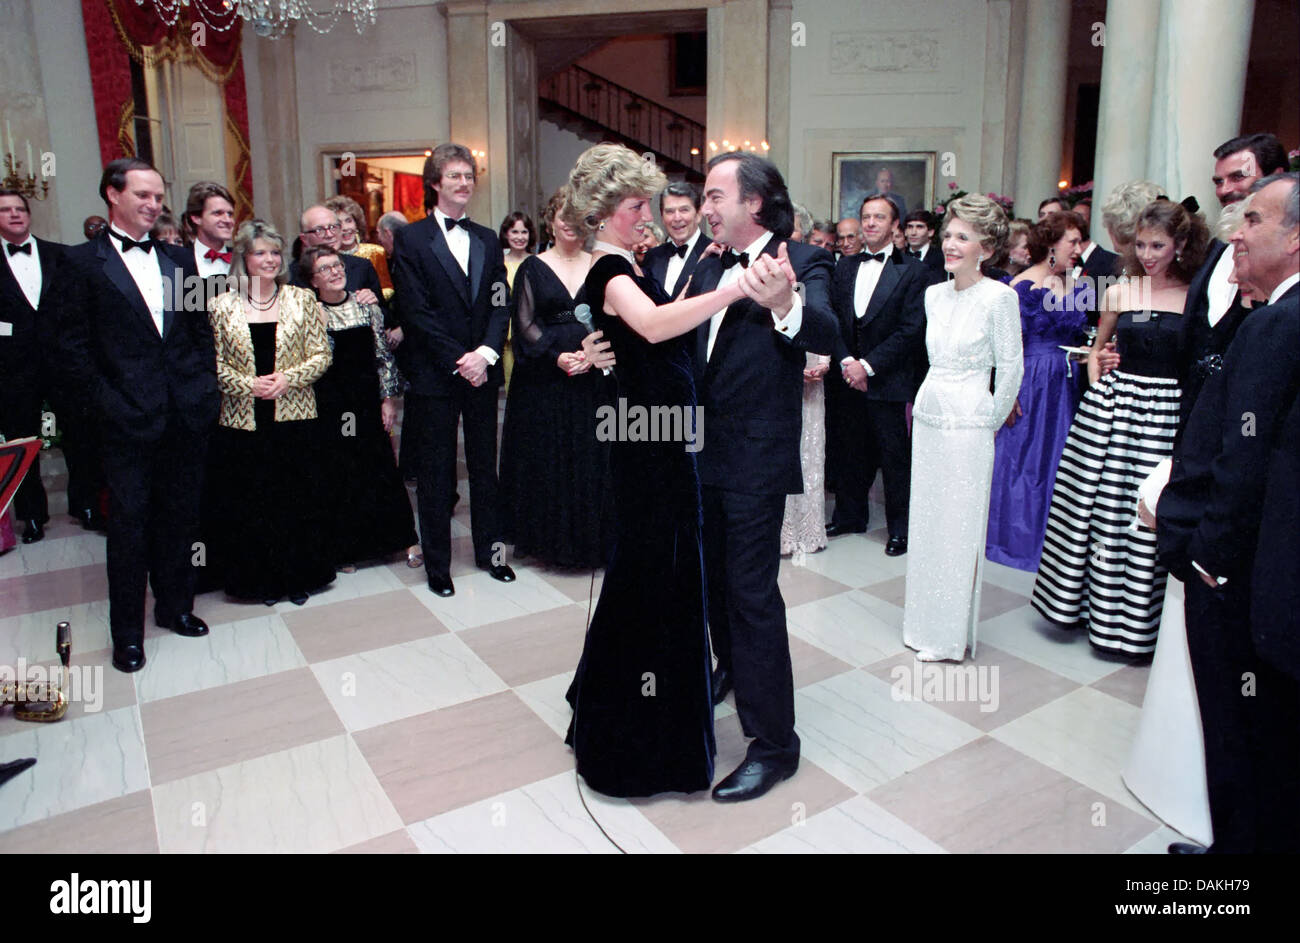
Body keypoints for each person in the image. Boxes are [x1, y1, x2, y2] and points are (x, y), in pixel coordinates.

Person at [560, 143, 741, 798]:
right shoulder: (610, 268)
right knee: (653, 580)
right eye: (638, 204)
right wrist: (731, 291)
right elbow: (657, 328)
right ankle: (637, 740)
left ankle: (615, 706)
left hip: (660, 441)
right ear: (607, 209)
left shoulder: (622, 265)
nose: (649, 214)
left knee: (646, 580)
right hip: (649, 450)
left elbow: (643, 337)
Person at [687, 150, 838, 801]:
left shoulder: (803, 260)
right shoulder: (706, 261)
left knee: (752, 597)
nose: (705, 206)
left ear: (754, 202)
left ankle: (775, 744)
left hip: (753, 459)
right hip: (698, 456)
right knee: (715, 586)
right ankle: (729, 670)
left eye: (716, 194)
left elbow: (833, 328)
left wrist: (787, 307)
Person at [1157, 172, 1299, 854]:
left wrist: (1206, 556)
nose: (1235, 232)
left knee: (1239, 738)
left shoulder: (1278, 324)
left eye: (1255, 220)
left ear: (1296, 236)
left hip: (1238, 581)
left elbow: (1242, 461)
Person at [55, 158, 220, 673]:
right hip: (125, 421)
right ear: (112, 194)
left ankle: (176, 607)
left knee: (180, 518)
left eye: (158, 197)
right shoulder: (80, 264)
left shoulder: (179, 259)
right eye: (142, 195)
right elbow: (72, 351)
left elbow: (199, 334)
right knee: (128, 529)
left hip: (185, 416)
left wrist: (204, 390)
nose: (153, 205)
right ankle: (127, 634)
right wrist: (110, 405)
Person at [1032, 198, 1209, 656]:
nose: (1148, 254)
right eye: (1141, 245)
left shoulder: (1197, 297)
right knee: (1092, 512)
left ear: (1182, 245)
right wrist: (1098, 382)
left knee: (1142, 515)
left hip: (1167, 413)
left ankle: (1131, 627)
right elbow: (1097, 347)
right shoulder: (1120, 290)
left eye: (1158, 245)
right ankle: (1074, 607)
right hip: (1111, 411)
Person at [388, 142, 514, 598]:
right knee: (436, 473)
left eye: (469, 176)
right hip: (435, 375)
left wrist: (485, 354)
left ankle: (490, 554)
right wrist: (461, 361)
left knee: (485, 470)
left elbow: (501, 301)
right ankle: (437, 567)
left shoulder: (486, 237)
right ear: (435, 183)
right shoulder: (411, 238)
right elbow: (416, 312)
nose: (464, 183)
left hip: (482, 369)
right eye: (455, 176)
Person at [901, 195, 1021, 662]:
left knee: (957, 526)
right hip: (930, 414)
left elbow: (1011, 371)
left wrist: (986, 423)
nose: (950, 244)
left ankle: (947, 635)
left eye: (962, 237)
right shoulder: (933, 294)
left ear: (986, 248)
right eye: (948, 234)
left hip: (971, 421)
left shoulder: (1001, 298)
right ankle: (921, 624)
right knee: (927, 521)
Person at [207, 221, 335, 606]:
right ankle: (257, 581)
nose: (269, 259)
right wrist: (248, 385)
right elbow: (208, 363)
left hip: (294, 413)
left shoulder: (301, 299)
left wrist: (288, 379)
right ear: (243, 257)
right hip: (241, 418)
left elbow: (322, 354)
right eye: (260, 252)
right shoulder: (219, 303)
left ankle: (299, 576)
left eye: (275, 252)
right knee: (251, 501)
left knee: (295, 497)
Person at [499, 187, 610, 569]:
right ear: (550, 220)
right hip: (544, 379)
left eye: (578, 216)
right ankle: (550, 541)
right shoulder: (532, 266)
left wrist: (593, 355)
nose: (569, 223)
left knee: (591, 455)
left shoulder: (600, 262)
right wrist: (556, 356)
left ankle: (592, 541)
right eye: (563, 215)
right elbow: (524, 322)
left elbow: (612, 316)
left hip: (594, 375)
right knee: (549, 455)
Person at [825, 191, 928, 554]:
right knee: (849, 450)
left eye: (879, 217)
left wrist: (867, 365)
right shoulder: (845, 266)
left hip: (889, 379)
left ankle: (900, 529)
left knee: (894, 460)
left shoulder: (915, 272)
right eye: (866, 216)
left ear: (895, 225)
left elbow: (911, 329)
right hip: (847, 379)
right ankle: (850, 515)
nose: (870, 223)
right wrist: (846, 363)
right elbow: (833, 320)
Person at [985, 211, 1088, 571]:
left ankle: (1055, 545)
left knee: (1060, 459)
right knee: (1022, 458)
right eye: (1072, 241)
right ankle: (1014, 540)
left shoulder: (1081, 284)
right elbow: (1003, 349)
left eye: (1080, 241)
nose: (1078, 248)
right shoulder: (1018, 286)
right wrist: (1006, 393)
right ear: (1051, 244)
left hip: (1066, 382)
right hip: (1030, 379)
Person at [303, 244, 416, 571]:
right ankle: (347, 549)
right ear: (313, 280)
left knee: (380, 469)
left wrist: (388, 399)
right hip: (329, 403)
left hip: (367, 400)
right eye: (324, 269)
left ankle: (399, 541)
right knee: (339, 472)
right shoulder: (308, 311)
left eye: (337, 265)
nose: (335, 272)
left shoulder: (367, 307)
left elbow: (383, 357)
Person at [1177, 133, 1288, 434]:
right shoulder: (1213, 251)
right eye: (1218, 181)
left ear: (1277, 178)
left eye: (1238, 177)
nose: (1225, 190)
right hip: (1192, 423)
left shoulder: (1285, 268)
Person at [0, 188, 63, 544]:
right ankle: (32, 516)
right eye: (5, 210)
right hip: (13, 368)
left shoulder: (60, 255)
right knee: (24, 440)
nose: (14, 215)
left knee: (84, 436)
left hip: (62, 363)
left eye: (19, 209)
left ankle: (88, 505)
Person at [643, 182, 707, 298]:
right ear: (662, 217)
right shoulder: (652, 256)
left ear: (698, 214)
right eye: (670, 211)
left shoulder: (714, 254)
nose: (677, 218)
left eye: (684, 210)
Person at [185, 181, 236, 279]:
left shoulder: (243, 258)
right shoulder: (178, 260)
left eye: (230, 214)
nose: (227, 220)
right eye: (218, 213)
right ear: (196, 218)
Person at [903, 209, 946, 277]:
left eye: (920, 227)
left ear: (930, 232)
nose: (913, 233)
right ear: (905, 232)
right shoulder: (897, 259)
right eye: (910, 227)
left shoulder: (942, 259)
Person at [499, 211, 535, 287]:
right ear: (506, 234)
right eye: (515, 232)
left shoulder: (537, 263)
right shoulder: (499, 263)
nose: (520, 237)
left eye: (524, 232)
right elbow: (498, 297)